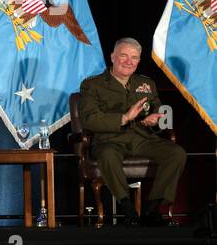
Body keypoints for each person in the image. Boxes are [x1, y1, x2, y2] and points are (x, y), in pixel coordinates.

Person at [77, 37, 186, 226]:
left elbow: (159, 113)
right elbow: (90, 119)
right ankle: (128, 209)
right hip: (110, 140)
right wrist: (124, 118)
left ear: (139, 60)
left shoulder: (147, 84)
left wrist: (154, 121)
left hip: (142, 138)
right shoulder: (92, 84)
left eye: (134, 58)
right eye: (124, 56)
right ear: (112, 57)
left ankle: (152, 209)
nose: (129, 62)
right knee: (108, 155)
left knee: (176, 153)